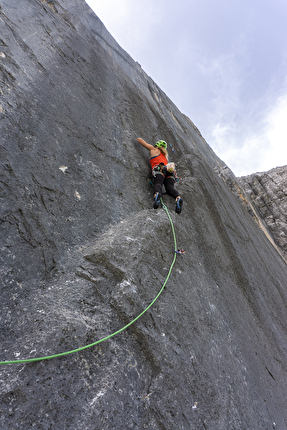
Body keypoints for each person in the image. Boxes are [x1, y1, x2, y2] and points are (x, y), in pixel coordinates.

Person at [137, 137, 183, 214]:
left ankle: (157, 194)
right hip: (169, 171)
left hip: (159, 169)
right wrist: (176, 177)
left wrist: (139, 138)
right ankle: (178, 198)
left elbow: (140, 140)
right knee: (169, 188)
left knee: (158, 183)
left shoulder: (154, 149)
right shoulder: (165, 156)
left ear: (157, 145)